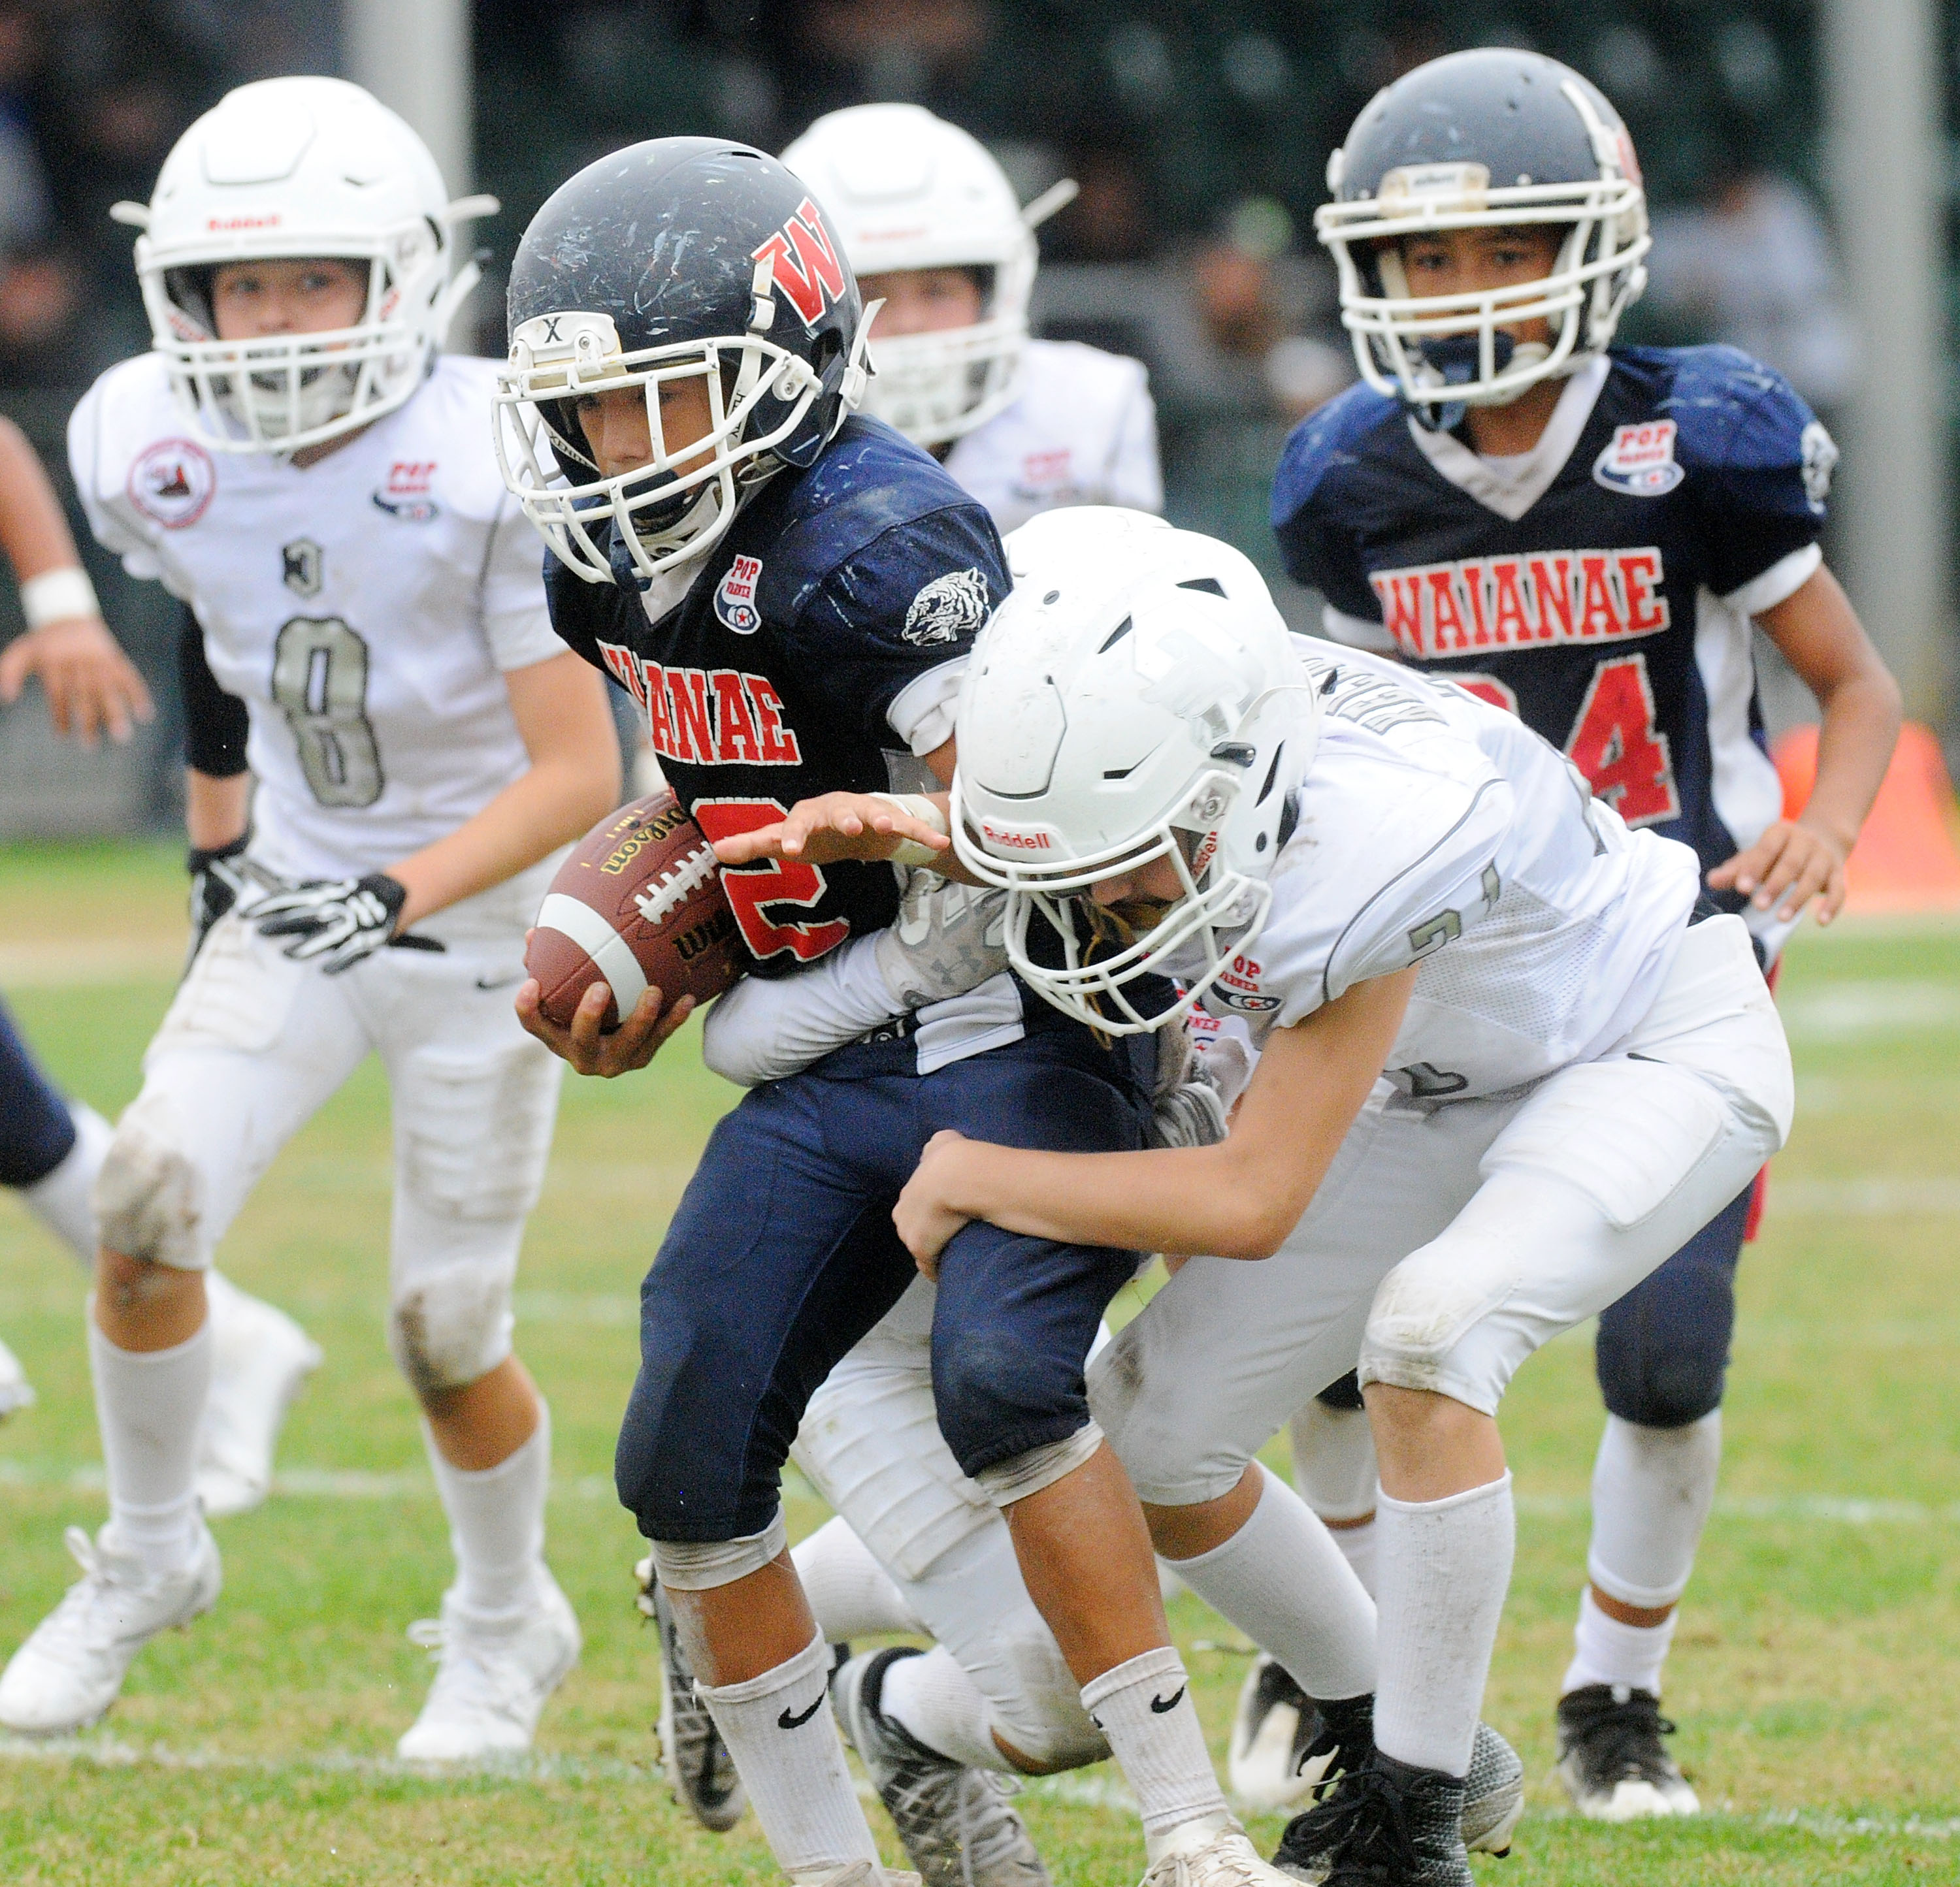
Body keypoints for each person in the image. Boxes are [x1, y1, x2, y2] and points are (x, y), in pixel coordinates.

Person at [498, 137, 1294, 1887]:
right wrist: (655, 919)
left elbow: (1021, 834)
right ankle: (830, 1867)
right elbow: (712, 778)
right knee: (684, 1445)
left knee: (1011, 1374)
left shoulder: (880, 544)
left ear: (785, 364)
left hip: (1003, 1021)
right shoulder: (598, 563)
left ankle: (1192, 1828)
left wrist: (816, 976)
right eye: (591, 409)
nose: (620, 444)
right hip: (829, 1060)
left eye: (660, 396)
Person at [878, 506, 1793, 1887]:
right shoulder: (1173, 723)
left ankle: (1411, 1826)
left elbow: (1253, 1194)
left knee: (1430, 1335)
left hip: (1648, 1036)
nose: (1102, 900)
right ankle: (1409, 1735)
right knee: (1156, 1437)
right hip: (1442, 1073)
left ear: (1233, 792)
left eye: (1127, 859)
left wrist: (978, 1173)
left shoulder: (1379, 837)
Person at [1259, 46, 1901, 1820]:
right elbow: (1357, 749)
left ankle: (1615, 1690)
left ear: (1594, 248)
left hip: (1672, 942)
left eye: (1505, 249)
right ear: (1368, 271)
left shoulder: (1694, 436)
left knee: (1665, 1354)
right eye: (1428, 258)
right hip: (1454, 956)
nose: (1466, 291)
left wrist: (1830, 823)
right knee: (1334, 1335)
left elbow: (1853, 683)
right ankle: (1340, 1658)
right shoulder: (1347, 477)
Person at [0, 77, 621, 1760]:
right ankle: (150, 1551)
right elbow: (224, 637)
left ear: (406, 276)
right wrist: (222, 841)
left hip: (484, 925)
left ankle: (506, 1617)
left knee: (446, 1326)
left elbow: (581, 770)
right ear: (182, 293)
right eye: (242, 285)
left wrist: (397, 887)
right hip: (301, 886)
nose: (273, 320)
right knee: (143, 1198)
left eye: (312, 280)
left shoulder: (491, 453)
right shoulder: (148, 435)